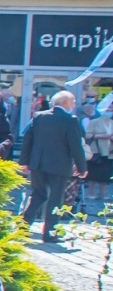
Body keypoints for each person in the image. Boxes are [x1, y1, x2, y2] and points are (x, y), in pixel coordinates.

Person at [20, 90, 88, 242]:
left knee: (38, 194)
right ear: (65, 103)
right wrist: (82, 167)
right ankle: (50, 234)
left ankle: (22, 227)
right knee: (55, 199)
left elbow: (27, 140)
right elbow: (76, 146)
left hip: (38, 164)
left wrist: (24, 162)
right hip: (59, 166)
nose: (74, 104)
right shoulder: (70, 119)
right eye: (73, 101)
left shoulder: (39, 116)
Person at [80, 97, 113, 214]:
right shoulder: (94, 122)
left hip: (109, 151)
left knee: (105, 174)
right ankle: (91, 193)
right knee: (94, 173)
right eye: (108, 108)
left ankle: (103, 194)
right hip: (97, 150)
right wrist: (101, 136)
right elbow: (88, 136)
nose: (110, 110)